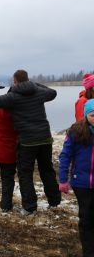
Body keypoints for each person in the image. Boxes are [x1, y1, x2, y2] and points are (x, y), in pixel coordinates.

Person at [0, 69, 61, 214]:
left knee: (25, 174)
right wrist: (34, 84)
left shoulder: (13, 96)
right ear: (28, 79)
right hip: (45, 138)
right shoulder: (38, 91)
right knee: (47, 170)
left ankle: (30, 207)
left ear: (15, 81)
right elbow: (53, 92)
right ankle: (54, 201)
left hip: (27, 141)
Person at [58, 99, 94, 257]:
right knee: (86, 217)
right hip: (82, 182)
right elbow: (65, 156)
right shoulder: (75, 132)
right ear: (86, 115)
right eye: (93, 115)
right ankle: (88, 251)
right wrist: (63, 179)